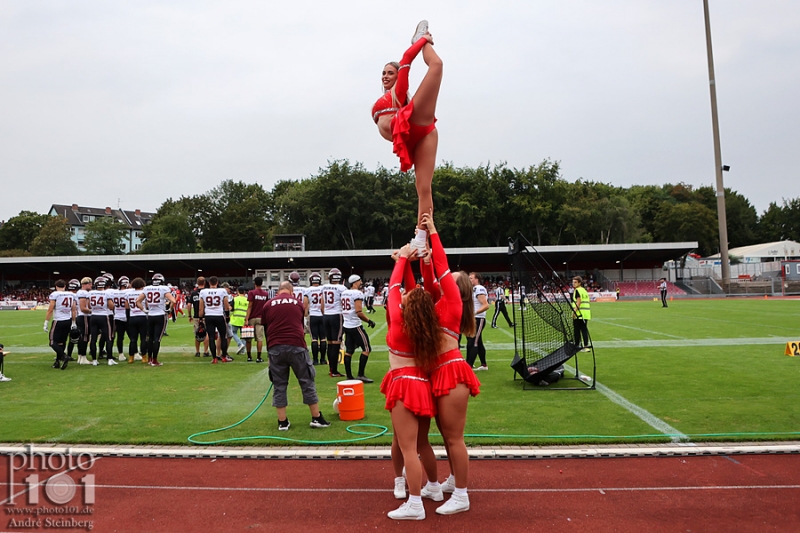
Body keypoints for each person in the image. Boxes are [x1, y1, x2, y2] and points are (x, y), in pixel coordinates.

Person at [419, 212, 480, 515]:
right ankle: (455, 478)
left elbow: (441, 269)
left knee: (454, 437)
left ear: (459, 288)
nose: (448, 276)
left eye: (453, 277)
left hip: (451, 371)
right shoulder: (442, 299)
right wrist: (425, 256)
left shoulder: (453, 300)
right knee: (445, 435)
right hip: (439, 371)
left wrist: (434, 232)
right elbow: (430, 276)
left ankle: (462, 494)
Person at [372, 20, 442, 254]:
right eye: (383, 73)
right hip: (411, 138)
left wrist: (422, 41)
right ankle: (421, 240)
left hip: (415, 125)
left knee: (437, 66)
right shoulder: (385, 99)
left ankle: (423, 42)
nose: (385, 76)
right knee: (421, 187)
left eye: (390, 72)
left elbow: (405, 60)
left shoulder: (397, 93)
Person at [382, 243, 439, 520]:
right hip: (422, 385)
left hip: (403, 385)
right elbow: (410, 291)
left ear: (409, 306)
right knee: (420, 444)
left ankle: (415, 504)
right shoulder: (424, 325)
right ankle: (434, 488)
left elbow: (393, 288)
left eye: (409, 295)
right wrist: (409, 263)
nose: (405, 294)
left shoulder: (397, 319)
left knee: (408, 450)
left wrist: (403, 258)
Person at [260, 281, 330, 431]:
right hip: (296, 345)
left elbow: (266, 328)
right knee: (307, 381)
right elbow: (299, 324)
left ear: (278, 291)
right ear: (291, 291)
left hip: (275, 347)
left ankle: (282, 422)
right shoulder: (298, 303)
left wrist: (269, 354)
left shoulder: (267, 305)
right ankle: (316, 418)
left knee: (279, 385)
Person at [341, 275, 376, 382]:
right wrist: (369, 321)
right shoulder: (357, 293)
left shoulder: (344, 293)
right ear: (356, 282)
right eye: (360, 281)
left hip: (346, 325)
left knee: (349, 351)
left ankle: (349, 375)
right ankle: (361, 374)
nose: (361, 282)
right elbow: (359, 312)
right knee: (366, 349)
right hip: (355, 325)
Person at [137, 273, 176, 367]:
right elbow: (173, 301)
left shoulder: (147, 288)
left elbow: (137, 301)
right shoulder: (164, 289)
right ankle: (154, 360)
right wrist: (169, 309)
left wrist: (144, 310)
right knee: (157, 339)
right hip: (160, 315)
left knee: (150, 339)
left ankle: (150, 359)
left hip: (150, 315)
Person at [44, 279, 76, 370]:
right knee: (62, 342)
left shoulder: (55, 294)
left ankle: (63, 356)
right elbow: (74, 310)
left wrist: (46, 322)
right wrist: (73, 322)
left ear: (56, 286)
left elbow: (50, 309)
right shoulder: (71, 294)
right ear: (65, 286)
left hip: (58, 320)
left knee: (52, 342)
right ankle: (57, 362)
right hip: (68, 320)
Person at [199, 276, 231, 364]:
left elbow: (201, 307)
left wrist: (201, 318)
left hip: (209, 316)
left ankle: (214, 358)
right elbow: (226, 305)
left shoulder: (203, 292)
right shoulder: (222, 291)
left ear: (209, 283)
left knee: (211, 338)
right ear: (217, 283)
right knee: (223, 337)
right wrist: (227, 316)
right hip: (219, 315)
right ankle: (224, 357)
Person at [321, 267, 346, 377]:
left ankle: (331, 369)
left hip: (326, 315)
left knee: (330, 343)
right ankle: (334, 371)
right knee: (336, 343)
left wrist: (325, 313)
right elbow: (344, 302)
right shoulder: (342, 288)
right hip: (337, 315)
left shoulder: (324, 287)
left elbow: (322, 304)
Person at [88, 276, 116, 367]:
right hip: (104, 316)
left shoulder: (91, 293)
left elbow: (88, 305)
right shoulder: (106, 293)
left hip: (93, 316)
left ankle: (94, 360)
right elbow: (111, 306)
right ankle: (109, 359)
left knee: (93, 339)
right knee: (108, 338)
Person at [465, 272, 489, 371]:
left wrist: (474, 313)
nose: (469, 280)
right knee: (477, 342)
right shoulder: (473, 289)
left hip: (478, 318)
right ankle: (483, 364)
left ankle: (468, 365)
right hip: (473, 318)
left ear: (476, 279)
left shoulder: (479, 288)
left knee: (473, 342)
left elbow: (486, 305)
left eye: (471, 278)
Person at [244, 276, 270, 363]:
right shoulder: (265, 294)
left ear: (254, 283)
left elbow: (250, 306)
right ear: (262, 283)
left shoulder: (251, 293)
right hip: (261, 318)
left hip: (252, 317)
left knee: (249, 338)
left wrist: (246, 318)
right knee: (259, 338)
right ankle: (259, 357)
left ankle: (249, 357)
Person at [304, 272, 326, 366]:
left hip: (313, 315)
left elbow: (305, 305)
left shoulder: (308, 290)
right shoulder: (323, 288)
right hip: (322, 315)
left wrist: (305, 316)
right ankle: (323, 359)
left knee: (314, 339)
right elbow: (324, 303)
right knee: (323, 339)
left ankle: (315, 360)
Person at [125, 277, 148, 364]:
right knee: (143, 338)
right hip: (142, 316)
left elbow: (126, 307)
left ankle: (131, 358)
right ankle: (144, 357)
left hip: (132, 317)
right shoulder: (143, 293)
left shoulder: (128, 293)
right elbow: (146, 304)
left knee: (133, 339)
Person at [109, 276, 130, 362]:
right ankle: (134, 353)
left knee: (119, 337)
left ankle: (120, 354)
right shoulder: (129, 292)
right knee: (132, 336)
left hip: (117, 316)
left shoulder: (113, 292)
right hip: (127, 316)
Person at [188, 277, 210, 357]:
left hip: (196, 316)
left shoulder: (193, 293)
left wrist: (189, 315)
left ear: (197, 283)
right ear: (204, 283)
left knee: (197, 333)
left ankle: (197, 352)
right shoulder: (207, 292)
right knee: (207, 333)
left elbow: (189, 305)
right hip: (206, 315)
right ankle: (206, 351)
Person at [75, 277, 93, 365]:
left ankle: (80, 356)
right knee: (85, 337)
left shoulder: (80, 292)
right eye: (90, 284)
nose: (91, 285)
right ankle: (83, 357)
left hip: (81, 316)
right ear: (85, 284)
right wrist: (93, 311)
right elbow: (83, 308)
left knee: (82, 337)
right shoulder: (83, 293)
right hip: (84, 317)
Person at [572, 276, 591, 352]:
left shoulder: (577, 291)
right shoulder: (584, 290)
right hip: (586, 314)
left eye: (575, 282)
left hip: (579, 313)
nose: (573, 284)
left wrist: (574, 312)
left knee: (577, 330)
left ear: (579, 283)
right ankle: (586, 346)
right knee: (584, 330)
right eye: (573, 282)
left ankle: (577, 345)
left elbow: (578, 302)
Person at [230, 286, 249, 358]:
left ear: (238, 291)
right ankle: (243, 350)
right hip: (244, 319)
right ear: (244, 292)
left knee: (233, 333)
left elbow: (231, 309)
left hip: (236, 318)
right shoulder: (247, 300)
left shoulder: (235, 299)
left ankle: (240, 344)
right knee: (243, 335)